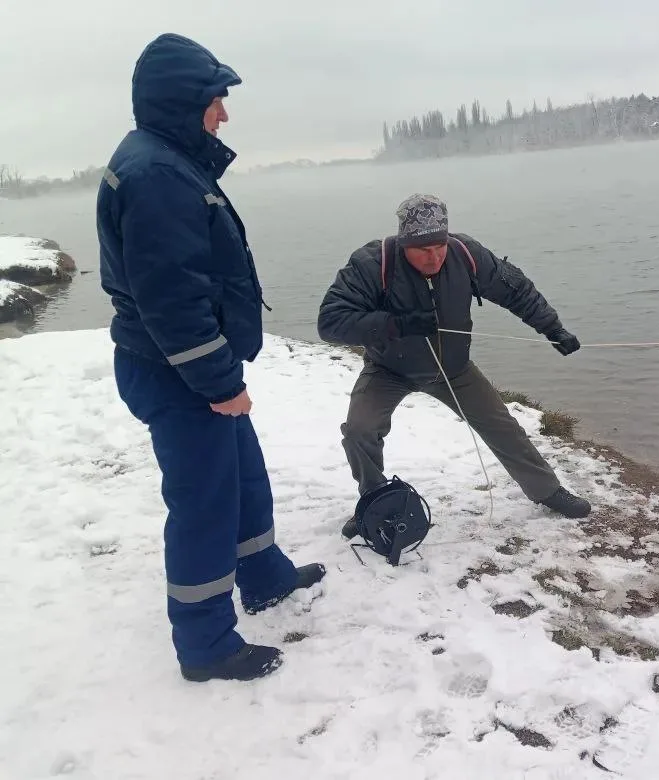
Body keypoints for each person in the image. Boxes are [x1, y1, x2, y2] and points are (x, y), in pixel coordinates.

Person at [96, 33, 325, 683]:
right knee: (204, 504)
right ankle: (205, 645)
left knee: (243, 477)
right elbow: (172, 300)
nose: (224, 113)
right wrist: (220, 381)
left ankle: (264, 575)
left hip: (189, 366)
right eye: (215, 99)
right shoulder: (156, 176)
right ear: (182, 102)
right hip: (177, 371)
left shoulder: (167, 160)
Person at [316, 193, 592, 535]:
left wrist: (553, 329)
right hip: (389, 369)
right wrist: (395, 324)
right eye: (423, 250)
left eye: (439, 247)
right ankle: (375, 503)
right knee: (360, 430)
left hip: (453, 367)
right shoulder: (373, 263)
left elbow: (516, 291)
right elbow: (330, 322)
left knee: (503, 426)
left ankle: (547, 491)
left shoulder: (466, 254)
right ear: (404, 243)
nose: (433, 257)